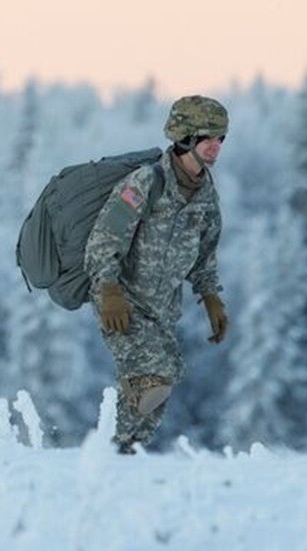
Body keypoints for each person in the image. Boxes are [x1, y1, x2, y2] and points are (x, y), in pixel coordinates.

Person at [84, 96, 229, 454]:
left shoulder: (206, 196)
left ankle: (120, 454)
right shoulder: (146, 182)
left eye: (221, 138)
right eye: (207, 138)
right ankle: (106, 451)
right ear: (185, 138)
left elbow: (204, 254)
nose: (216, 146)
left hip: (163, 307)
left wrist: (211, 296)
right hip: (122, 299)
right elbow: (104, 239)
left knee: (157, 393)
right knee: (153, 379)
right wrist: (109, 290)